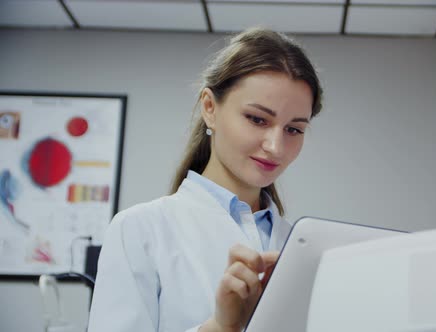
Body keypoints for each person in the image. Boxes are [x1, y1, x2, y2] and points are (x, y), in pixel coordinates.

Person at [87, 27, 323, 332]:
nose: (276, 147)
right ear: (210, 108)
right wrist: (219, 327)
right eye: (257, 119)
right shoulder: (140, 230)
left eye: (293, 129)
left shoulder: (301, 247)